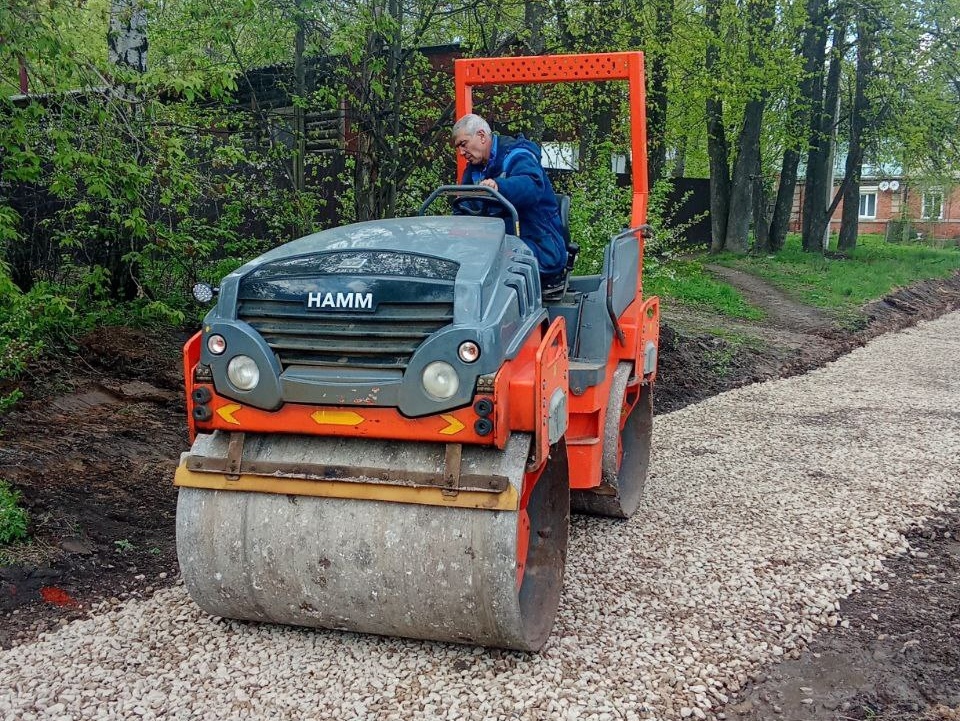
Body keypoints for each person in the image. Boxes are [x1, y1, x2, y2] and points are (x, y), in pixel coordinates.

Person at [451, 114, 568, 289]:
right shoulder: (474, 172)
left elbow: (532, 185)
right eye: (458, 147)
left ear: (482, 136)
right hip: (497, 245)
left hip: (539, 244)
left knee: (493, 269)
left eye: (463, 144)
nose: (461, 153)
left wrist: (499, 187)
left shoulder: (518, 155)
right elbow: (464, 208)